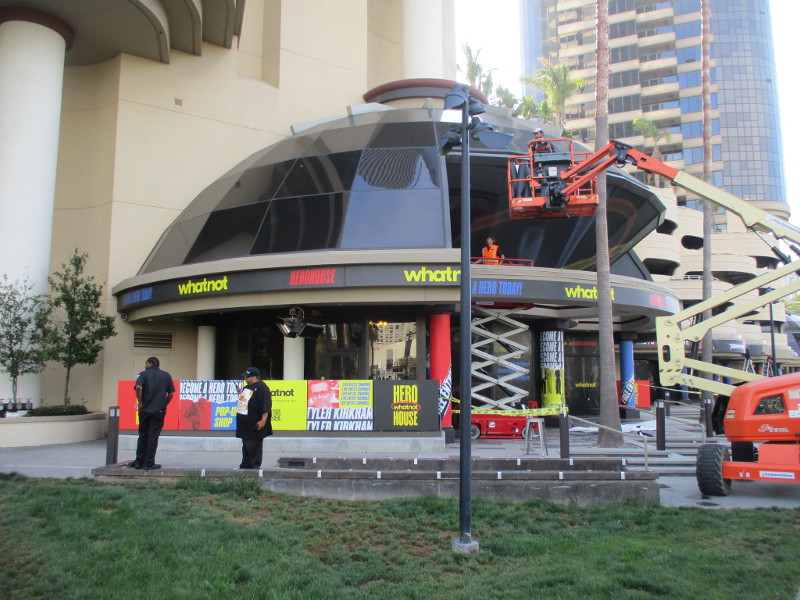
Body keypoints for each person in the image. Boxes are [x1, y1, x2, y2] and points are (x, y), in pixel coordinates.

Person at [128, 356, 174, 470]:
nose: (145, 366)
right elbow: (171, 394)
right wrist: (165, 404)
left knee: (143, 435)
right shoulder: (166, 375)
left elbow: (138, 387)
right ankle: (149, 463)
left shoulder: (143, 374)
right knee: (153, 436)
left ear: (150, 364)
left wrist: (140, 402)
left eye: (146, 363)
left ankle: (139, 461)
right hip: (159, 410)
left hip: (145, 409)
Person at [235, 366, 272, 469]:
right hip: (245, 423)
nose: (245, 379)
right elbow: (247, 400)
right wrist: (240, 393)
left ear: (254, 377)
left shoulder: (262, 388)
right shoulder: (247, 387)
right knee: (246, 445)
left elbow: (266, 405)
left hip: (255, 422)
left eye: (247, 377)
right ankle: (246, 464)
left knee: (254, 444)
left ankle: (254, 465)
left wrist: (263, 420)